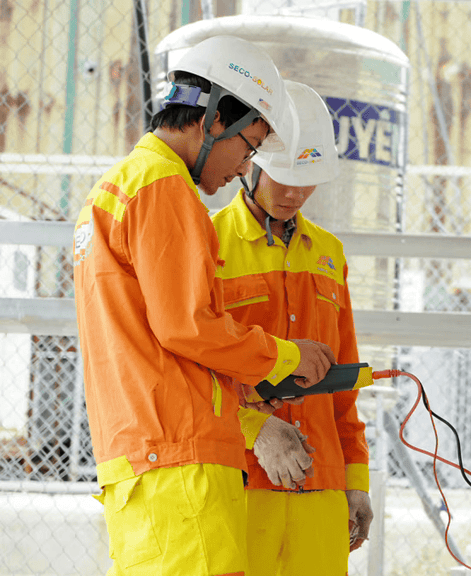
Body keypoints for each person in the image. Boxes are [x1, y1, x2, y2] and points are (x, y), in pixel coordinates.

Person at [72, 36, 335, 575]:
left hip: (143, 461)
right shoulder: (165, 187)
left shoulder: (116, 190)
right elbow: (188, 326)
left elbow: (157, 332)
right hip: (179, 463)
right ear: (214, 121)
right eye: (250, 145)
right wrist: (287, 357)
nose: (244, 168)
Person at [212, 80, 373, 576]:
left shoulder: (329, 255)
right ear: (251, 162)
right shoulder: (208, 243)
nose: (294, 193)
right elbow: (194, 371)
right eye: (282, 177)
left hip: (321, 487)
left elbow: (343, 384)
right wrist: (253, 431)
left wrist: (356, 478)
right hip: (242, 481)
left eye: (307, 180)